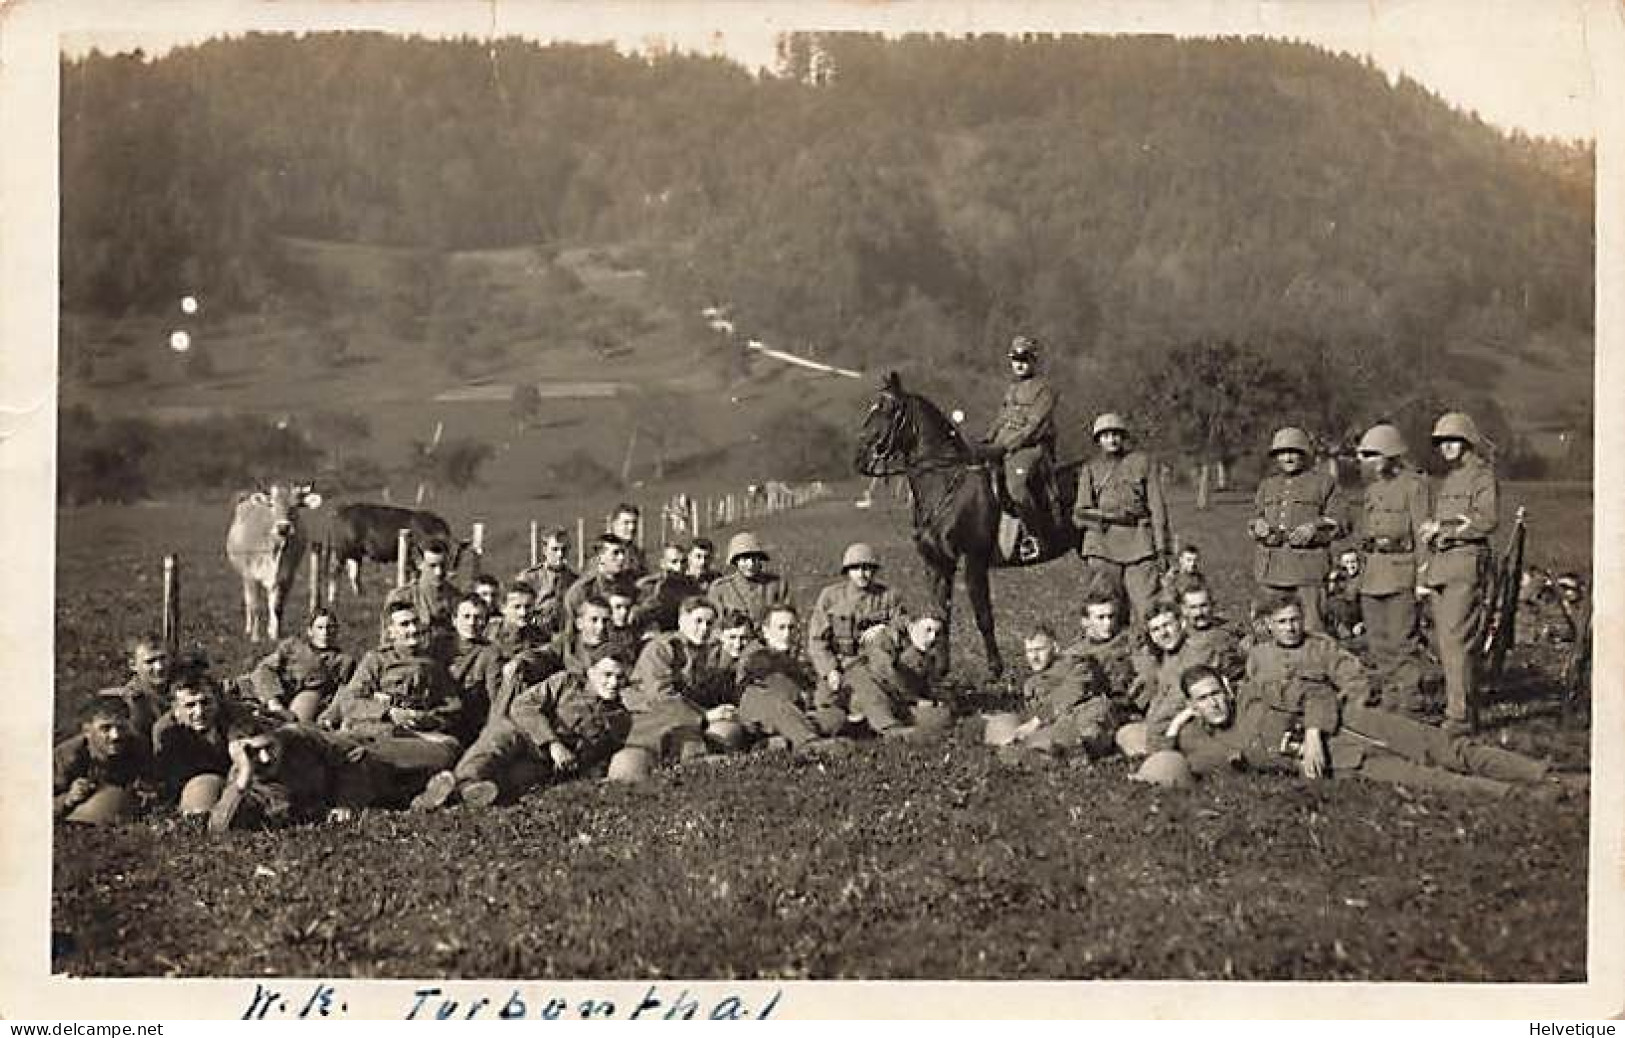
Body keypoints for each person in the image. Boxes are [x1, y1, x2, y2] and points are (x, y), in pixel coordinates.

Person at [1157, 604, 1556, 798]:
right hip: (1347, 762)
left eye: (1215, 694)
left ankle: (1540, 772)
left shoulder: (1256, 693)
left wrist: (1312, 735)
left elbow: (1314, 692)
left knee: (1447, 748)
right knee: (1428, 779)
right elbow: (1163, 759)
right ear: (1193, 706)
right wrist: (1175, 727)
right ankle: (1516, 794)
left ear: (1227, 688)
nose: (1214, 704)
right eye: (1203, 701)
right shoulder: (1202, 741)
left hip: (1352, 721)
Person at [413, 652, 636, 810]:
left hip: (547, 765)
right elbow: (522, 705)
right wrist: (552, 743)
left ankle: (450, 793)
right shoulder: (566, 683)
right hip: (524, 734)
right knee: (496, 742)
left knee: (513, 782)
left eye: (620, 677)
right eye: (607, 675)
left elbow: (602, 757)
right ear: (591, 672)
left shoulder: (621, 718)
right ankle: (464, 782)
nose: (613, 683)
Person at [320, 601, 464, 797]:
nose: (412, 629)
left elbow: (452, 708)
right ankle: (414, 790)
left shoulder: (433, 665)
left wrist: (424, 717)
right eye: (404, 625)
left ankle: (381, 778)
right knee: (359, 745)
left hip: (415, 735)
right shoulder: (376, 660)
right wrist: (387, 712)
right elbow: (350, 701)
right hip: (378, 732)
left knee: (449, 749)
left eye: (415, 623)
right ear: (390, 632)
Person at [1420, 412, 1498, 735]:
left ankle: (1460, 717)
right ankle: (1459, 708)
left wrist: (1446, 529)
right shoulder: (1450, 479)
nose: (1446, 448)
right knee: (1446, 642)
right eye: (1441, 443)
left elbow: (1487, 519)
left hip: (1466, 565)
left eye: (1452, 441)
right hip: (1443, 566)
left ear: (1466, 441)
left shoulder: (1482, 476)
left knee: (1457, 642)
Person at [1353, 423, 1432, 717]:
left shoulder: (1415, 486)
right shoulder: (1372, 490)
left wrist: (1423, 578)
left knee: (1403, 640)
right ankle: (1389, 695)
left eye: (1373, 455)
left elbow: (1423, 533)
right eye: (1365, 456)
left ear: (1390, 454)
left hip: (1402, 572)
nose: (1367, 461)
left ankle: (1410, 700)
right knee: (1378, 641)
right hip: (1373, 573)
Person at [1073, 412, 1171, 628]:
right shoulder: (1090, 468)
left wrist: (1162, 549)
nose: (1112, 439)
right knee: (1106, 609)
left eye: (1116, 434)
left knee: (1149, 607)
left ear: (1124, 436)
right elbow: (1080, 513)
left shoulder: (1143, 463)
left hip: (1140, 543)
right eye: (1106, 435)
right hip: (1102, 546)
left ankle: (1148, 655)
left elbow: (1157, 508)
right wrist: (1106, 516)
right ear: (1098, 440)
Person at [1249, 426, 1345, 632]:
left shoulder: (1324, 483)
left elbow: (1342, 522)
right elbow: (1255, 517)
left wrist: (1314, 528)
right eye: (1282, 453)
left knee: (1311, 628)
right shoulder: (1267, 485)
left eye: (1294, 452)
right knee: (1267, 627)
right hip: (1270, 569)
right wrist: (1258, 526)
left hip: (1307, 570)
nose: (1288, 458)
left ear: (1304, 454)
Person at [208, 723, 391, 831]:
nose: (264, 758)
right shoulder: (241, 783)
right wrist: (245, 775)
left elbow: (353, 754)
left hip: (377, 763)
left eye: (269, 747)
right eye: (253, 752)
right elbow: (219, 828)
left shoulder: (298, 738)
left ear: (277, 738)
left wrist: (346, 803)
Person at [626, 597, 736, 760]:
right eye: (698, 621)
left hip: (682, 715)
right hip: (648, 716)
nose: (704, 629)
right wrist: (706, 715)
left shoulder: (705, 651)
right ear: (682, 621)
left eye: (709, 623)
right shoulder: (661, 648)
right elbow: (661, 696)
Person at [807, 543, 909, 708]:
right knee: (824, 703)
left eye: (867, 568)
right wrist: (830, 670)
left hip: (877, 667)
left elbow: (904, 625)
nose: (862, 574)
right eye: (856, 568)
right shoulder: (831, 597)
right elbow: (817, 640)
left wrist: (886, 629)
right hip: (842, 665)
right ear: (847, 571)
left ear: (874, 571)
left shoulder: (888, 596)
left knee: (882, 699)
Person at [982, 335, 1058, 559]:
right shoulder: (1012, 389)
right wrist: (987, 441)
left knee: (1016, 485)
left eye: (1024, 359)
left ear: (1034, 361)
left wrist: (1007, 446)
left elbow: (1034, 426)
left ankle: (1033, 537)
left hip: (1031, 448)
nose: (1019, 364)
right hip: (1003, 445)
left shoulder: (1044, 390)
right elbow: (1001, 419)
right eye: (1015, 359)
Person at [736, 605, 848, 748]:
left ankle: (778, 741)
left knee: (836, 716)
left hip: (795, 711)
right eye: (781, 628)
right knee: (781, 707)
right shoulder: (755, 654)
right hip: (762, 707)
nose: (787, 634)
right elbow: (779, 686)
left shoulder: (799, 657)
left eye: (791, 628)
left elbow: (816, 691)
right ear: (766, 631)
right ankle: (810, 744)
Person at [151, 672, 263, 815]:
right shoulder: (165, 731)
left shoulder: (235, 716)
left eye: (205, 702)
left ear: (217, 701)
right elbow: (169, 779)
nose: (199, 712)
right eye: (190, 705)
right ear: (176, 710)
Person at [1001, 626, 1118, 757]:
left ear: (1055, 648)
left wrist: (1038, 720)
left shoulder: (1074, 665)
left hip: (1087, 715)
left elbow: (1071, 692)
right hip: (1057, 724)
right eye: (1029, 651)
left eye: (1039, 650)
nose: (1034, 657)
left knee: (1088, 729)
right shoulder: (1031, 684)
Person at [845, 613, 954, 739]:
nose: (932, 637)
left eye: (937, 633)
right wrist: (916, 700)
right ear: (913, 624)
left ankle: (873, 724)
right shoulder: (884, 638)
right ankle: (885, 727)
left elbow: (927, 683)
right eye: (928, 630)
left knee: (943, 717)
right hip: (877, 693)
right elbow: (886, 673)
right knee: (868, 689)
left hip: (901, 701)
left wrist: (933, 699)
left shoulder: (926, 652)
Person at [53, 698, 154, 824]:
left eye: (121, 727)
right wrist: (67, 798)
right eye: (105, 728)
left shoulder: (138, 746)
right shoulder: (67, 756)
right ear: (87, 731)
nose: (115, 735)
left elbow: (153, 784)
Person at [249, 609, 357, 723]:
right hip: (271, 691)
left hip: (306, 698)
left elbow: (343, 692)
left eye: (330, 627)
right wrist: (273, 701)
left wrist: (328, 716)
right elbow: (265, 668)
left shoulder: (343, 661)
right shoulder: (292, 647)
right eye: (320, 628)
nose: (325, 632)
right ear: (310, 631)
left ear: (336, 631)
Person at [1061, 589, 1142, 708]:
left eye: (1111, 616)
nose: (1108, 623)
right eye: (1101, 617)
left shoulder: (1130, 641)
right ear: (1085, 622)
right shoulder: (1073, 654)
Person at [381, 539, 462, 655]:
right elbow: (387, 642)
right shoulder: (402, 596)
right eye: (432, 566)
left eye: (443, 565)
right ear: (420, 564)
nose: (438, 572)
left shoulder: (456, 597)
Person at [560, 534, 640, 643]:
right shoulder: (582, 591)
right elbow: (570, 632)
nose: (621, 558)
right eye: (615, 553)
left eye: (623, 552)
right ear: (600, 558)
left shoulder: (630, 587)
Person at [707, 531, 793, 627]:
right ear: (735, 561)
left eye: (754, 559)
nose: (750, 564)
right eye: (744, 559)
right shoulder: (720, 589)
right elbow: (714, 624)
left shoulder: (777, 586)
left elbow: (788, 619)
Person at [512, 527, 577, 639]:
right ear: (545, 550)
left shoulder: (575, 580)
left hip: (565, 636)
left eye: (564, 550)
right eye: (555, 549)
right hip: (535, 634)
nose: (560, 554)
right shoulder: (529, 577)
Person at [109, 634, 170, 739]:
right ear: (133, 665)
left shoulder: (178, 691)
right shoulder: (129, 703)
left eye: (163, 658)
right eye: (150, 662)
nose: (159, 667)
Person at [632, 544, 702, 634]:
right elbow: (641, 615)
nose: (679, 567)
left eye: (683, 562)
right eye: (674, 562)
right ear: (663, 564)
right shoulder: (650, 586)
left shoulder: (692, 586)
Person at [1324, 549, 1365, 642]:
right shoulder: (1337, 580)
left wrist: (1362, 624)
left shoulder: (1363, 580)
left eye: (1353, 561)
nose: (1350, 565)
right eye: (1346, 562)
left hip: (1359, 621)